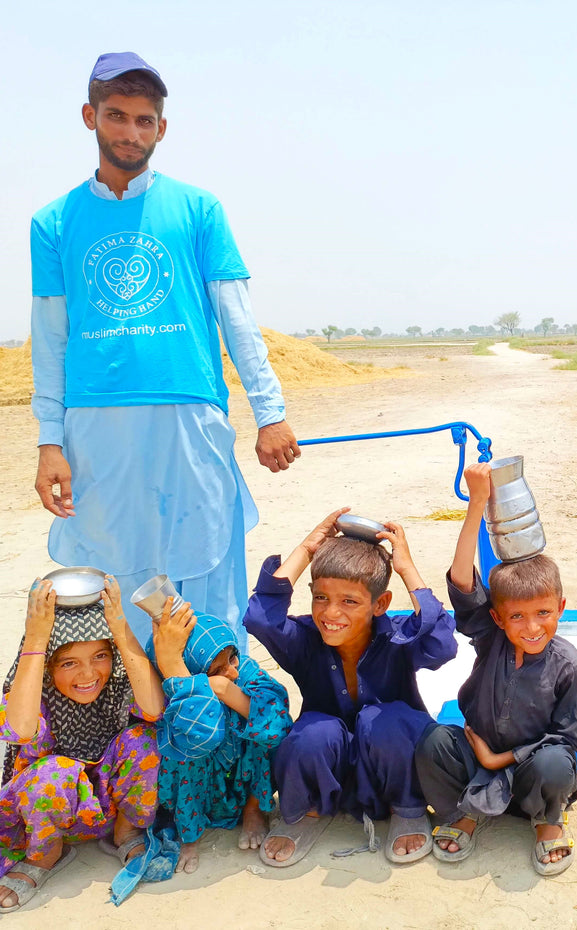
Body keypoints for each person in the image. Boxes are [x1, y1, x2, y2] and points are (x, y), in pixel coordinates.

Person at [29, 52, 299, 647]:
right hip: (95, 421)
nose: (131, 132)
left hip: (190, 413)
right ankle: (131, 720)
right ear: (89, 116)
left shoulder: (199, 209)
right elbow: (50, 338)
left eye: (144, 120)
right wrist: (50, 440)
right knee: (111, 571)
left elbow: (236, 317)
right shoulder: (52, 222)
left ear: (162, 128)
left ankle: (216, 721)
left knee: (204, 565)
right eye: (117, 116)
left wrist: (270, 411)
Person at [243, 510, 457, 867]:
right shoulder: (306, 639)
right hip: (334, 768)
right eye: (321, 597)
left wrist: (406, 568)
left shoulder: (398, 634)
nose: (331, 613)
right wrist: (308, 548)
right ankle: (306, 813)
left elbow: (443, 645)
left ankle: (407, 808)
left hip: (394, 764)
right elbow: (260, 618)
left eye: (350, 601)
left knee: (384, 720)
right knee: (313, 731)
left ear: (380, 604)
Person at [415, 462, 577, 877]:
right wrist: (476, 503)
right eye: (517, 617)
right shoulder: (491, 638)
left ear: (561, 609)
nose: (532, 628)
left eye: (544, 613)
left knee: (555, 765)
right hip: (475, 760)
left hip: (532, 769)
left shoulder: (570, 665)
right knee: (434, 742)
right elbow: (461, 581)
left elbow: (566, 742)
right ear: (497, 618)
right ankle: (466, 812)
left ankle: (547, 820)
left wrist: (498, 760)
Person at [0, 577, 164, 912]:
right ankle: (44, 856)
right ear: (47, 665)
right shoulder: (34, 690)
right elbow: (18, 730)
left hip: (109, 809)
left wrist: (119, 627)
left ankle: (127, 834)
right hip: (47, 816)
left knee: (144, 741)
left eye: (101, 656)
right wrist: (36, 637)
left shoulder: (119, 684)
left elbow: (154, 708)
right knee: (53, 773)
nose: (88, 674)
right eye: (68, 662)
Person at [147, 598, 292, 873]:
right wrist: (195, 686)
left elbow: (277, 726)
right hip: (198, 785)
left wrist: (225, 689)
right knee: (186, 744)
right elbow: (199, 734)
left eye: (233, 657)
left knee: (263, 730)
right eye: (218, 669)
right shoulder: (167, 689)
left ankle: (254, 809)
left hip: (244, 776)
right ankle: (190, 833)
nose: (233, 671)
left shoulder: (245, 672)